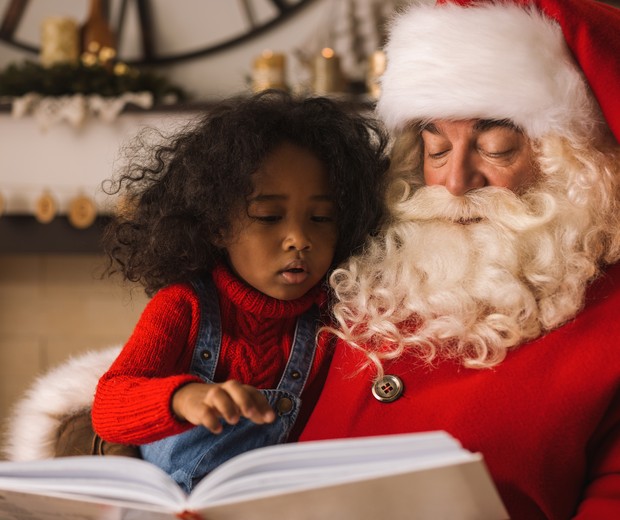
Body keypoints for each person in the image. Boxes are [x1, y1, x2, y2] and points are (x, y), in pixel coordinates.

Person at [299, 1, 620, 519]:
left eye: (496, 148)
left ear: (574, 164)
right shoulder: (362, 266)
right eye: (437, 147)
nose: (454, 182)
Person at [91, 90, 389, 493]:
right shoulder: (183, 306)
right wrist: (184, 399)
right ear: (216, 225)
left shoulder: (336, 317)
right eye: (268, 217)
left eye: (321, 218)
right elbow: (109, 407)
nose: (299, 239)